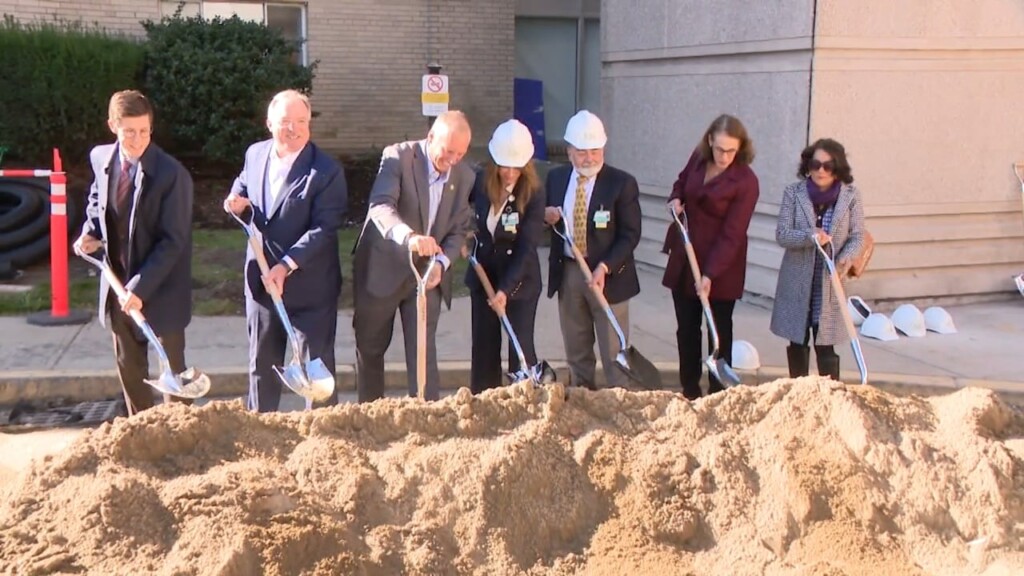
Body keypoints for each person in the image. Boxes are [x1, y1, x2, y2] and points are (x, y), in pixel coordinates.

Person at [224, 90, 348, 412]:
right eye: (285, 122)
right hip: (263, 285)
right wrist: (235, 201)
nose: (293, 129)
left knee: (315, 375)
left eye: (301, 122)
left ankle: (322, 441)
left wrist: (286, 265)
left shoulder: (325, 171)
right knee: (261, 368)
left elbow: (324, 228)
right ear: (269, 124)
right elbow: (242, 185)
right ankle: (260, 434)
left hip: (311, 290)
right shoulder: (255, 154)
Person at [74, 89, 194, 416]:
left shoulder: (172, 175)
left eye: (144, 131)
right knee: (130, 368)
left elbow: (174, 241)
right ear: (113, 125)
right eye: (129, 131)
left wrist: (140, 288)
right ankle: (141, 432)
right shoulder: (101, 158)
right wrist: (90, 232)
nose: (138, 139)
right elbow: (98, 202)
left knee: (172, 372)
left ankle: (180, 434)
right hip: (118, 285)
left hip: (162, 285)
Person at [353, 111, 475, 402]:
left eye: (460, 153)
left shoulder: (465, 175)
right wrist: (409, 237)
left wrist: (442, 264)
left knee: (423, 352)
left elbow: (458, 230)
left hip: (426, 275)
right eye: (447, 152)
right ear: (431, 137)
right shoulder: (399, 157)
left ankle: (426, 418)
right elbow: (380, 206)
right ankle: (371, 417)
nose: (452, 160)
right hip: (383, 268)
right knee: (370, 349)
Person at [662, 114, 759, 400]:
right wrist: (676, 198)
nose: (725, 156)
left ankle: (718, 395)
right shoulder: (698, 159)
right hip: (687, 256)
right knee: (687, 329)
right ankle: (689, 390)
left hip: (721, 266)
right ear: (709, 142)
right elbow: (681, 182)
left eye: (731, 150)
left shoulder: (746, 182)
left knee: (718, 328)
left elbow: (733, 233)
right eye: (720, 149)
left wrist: (709, 275)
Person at [543, 110, 642, 390]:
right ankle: (582, 401)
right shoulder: (557, 179)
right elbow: (544, 218)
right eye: (582, 152)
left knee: (613, 351)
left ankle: (617, 405)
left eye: (595, 151)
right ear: (569, 151)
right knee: (576, 347)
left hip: (608, 274)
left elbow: (630, 234)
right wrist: (545, 216)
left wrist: (605, 266)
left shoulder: (621, 183)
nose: (589, 159)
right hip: (570, 271)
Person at [770, 138, 866, 380]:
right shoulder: (793, 193)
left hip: (830, 282)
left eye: (828, 166)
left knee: (826, 345)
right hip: (797, 280)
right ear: (807, 165)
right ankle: (798, 395)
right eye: (815, 164)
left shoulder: (851, 197)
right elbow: (782, 235)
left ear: (838, 168)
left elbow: (857, 236)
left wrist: (844, 259)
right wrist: (808, 236)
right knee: (798, 342)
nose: (820, 171)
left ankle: (830, 396)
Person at [464, 119, 545, 393]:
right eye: (504, 166)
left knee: (519, 346)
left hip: (519, 283)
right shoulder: (479, 182)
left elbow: (527, 246)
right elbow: (460, 212)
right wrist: (462, 236)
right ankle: (484, 402)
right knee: (484, 348)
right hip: (484, 276)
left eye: (516, 166)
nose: (509, 173)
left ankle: (522, 403)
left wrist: (505, 291)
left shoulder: (533, 192)